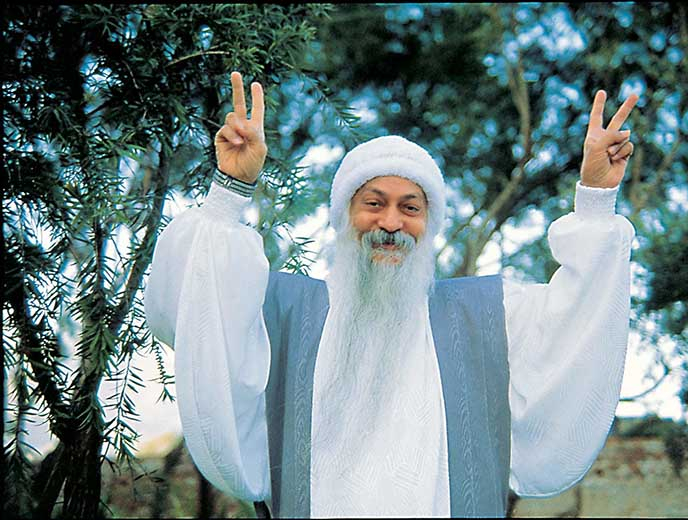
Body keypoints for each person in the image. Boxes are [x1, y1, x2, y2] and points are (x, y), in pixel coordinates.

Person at [144, 71, 638, 518]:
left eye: (410, 208)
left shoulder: (486, 314)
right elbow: (194, 307)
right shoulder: (287, 310)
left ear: (428, 224)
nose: (391, 223)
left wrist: (596, 200)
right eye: (373, 204)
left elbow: (577, 323)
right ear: (344, 217)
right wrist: (229, 190)